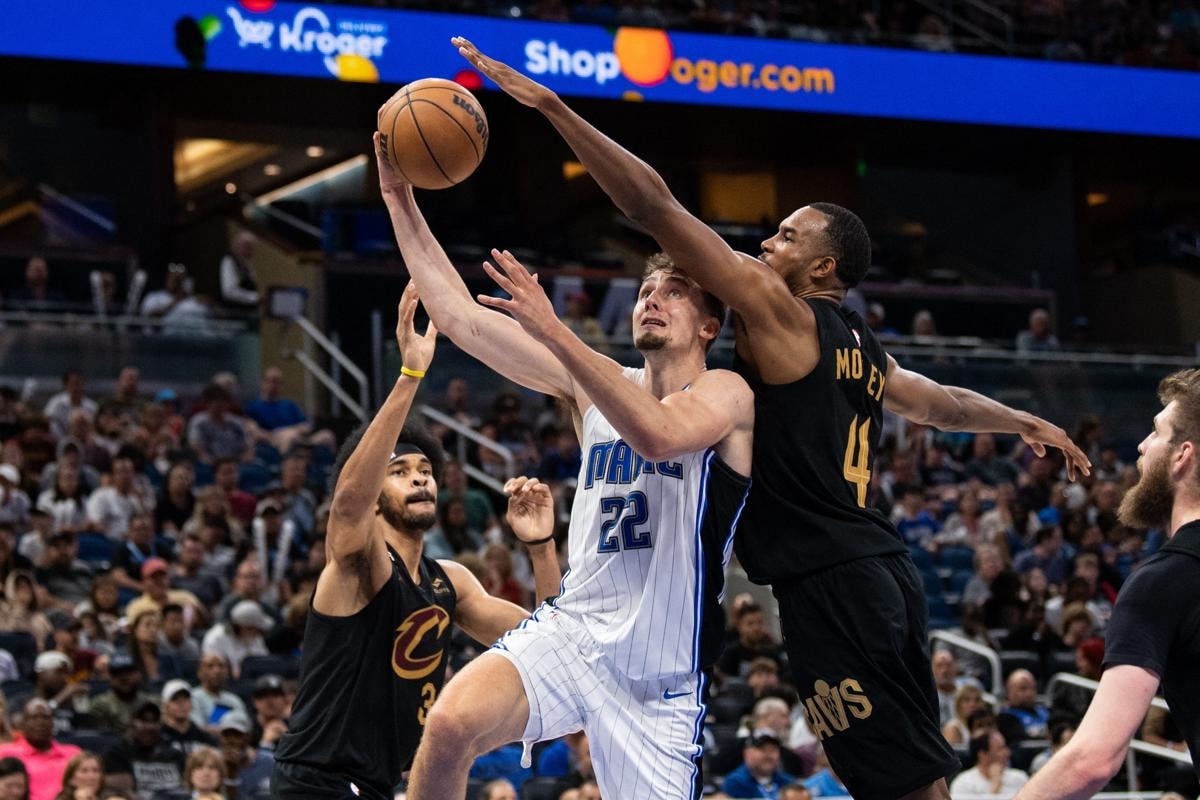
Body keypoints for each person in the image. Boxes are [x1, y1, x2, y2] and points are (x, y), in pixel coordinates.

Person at [453, 37, 1090, 800]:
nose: (765, 241)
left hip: (833, 584)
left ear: (822, 268)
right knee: (907, 777)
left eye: (787, 236)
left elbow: (652, 207)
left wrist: (553, 107)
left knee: (896, 786)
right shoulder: (862, 348)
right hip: (876, 572)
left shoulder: (779, 312)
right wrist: (1019, 419)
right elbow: (941, 404)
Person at [379, 131, 753, 800]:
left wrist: (554, 329)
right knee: (450, 724)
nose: (651, 299)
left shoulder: (727, 394)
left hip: (659, 681)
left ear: (709, 326)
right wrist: (398, 195)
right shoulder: (597, 382)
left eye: (673, 292)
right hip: (573, 635)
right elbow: (460, 318)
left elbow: (661, 437)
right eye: (645, 289)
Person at [270, 284, 562, 800]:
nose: (420, 478)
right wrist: (409, 376)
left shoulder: (451, 582)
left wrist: (541, 548)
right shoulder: (361, 564)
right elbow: (347, 505)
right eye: (400, 471)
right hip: (316, 781)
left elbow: (550, 644)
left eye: (425, 469)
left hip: (379, 785)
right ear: (375, 498)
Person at [1015, 369, 1200, 798]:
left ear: (1182, 455)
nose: (1141, 445)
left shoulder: (1162, 582)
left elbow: (1091, 760)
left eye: (1156, 432)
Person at [0, 698, 80, 800]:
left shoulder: (73, 754)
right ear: (23, 723)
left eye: (45, 717)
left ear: (53, 722)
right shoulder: (5, 753)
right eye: (34, 717)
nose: (40, 722)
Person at [103, 699, 186, 796]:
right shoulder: (117, 754)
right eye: (143, 721)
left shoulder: (174, 754)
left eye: (154, 721)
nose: (150, 727)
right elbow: (121, 792)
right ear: (131, 723)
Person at [720, 730, 796, 800]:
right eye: (762, 749)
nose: (768, 754)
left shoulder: (788, 782)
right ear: (747, 753)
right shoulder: (735, 783)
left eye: (773, 749)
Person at [949, 731, 1028, 797]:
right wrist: (996, 783)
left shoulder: (1020, 777)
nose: (1007, 753)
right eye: (1000, 748)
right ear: (983, 754)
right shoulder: (963, 783)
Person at [160, 680, 219, 758]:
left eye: (185, 699)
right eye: (175, 699)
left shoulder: (204, 738)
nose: (181, 703)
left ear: (191, 703)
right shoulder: (158, 737)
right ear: (165, 705)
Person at [43, 373, 97, 442]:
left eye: (78, 383)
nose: (75, 387)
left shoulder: (91, 406)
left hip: (85, 441)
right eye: (72, 384)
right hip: (58, 440)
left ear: (84, 384)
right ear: (65, 385)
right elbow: (47, 420)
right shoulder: (56, 403)